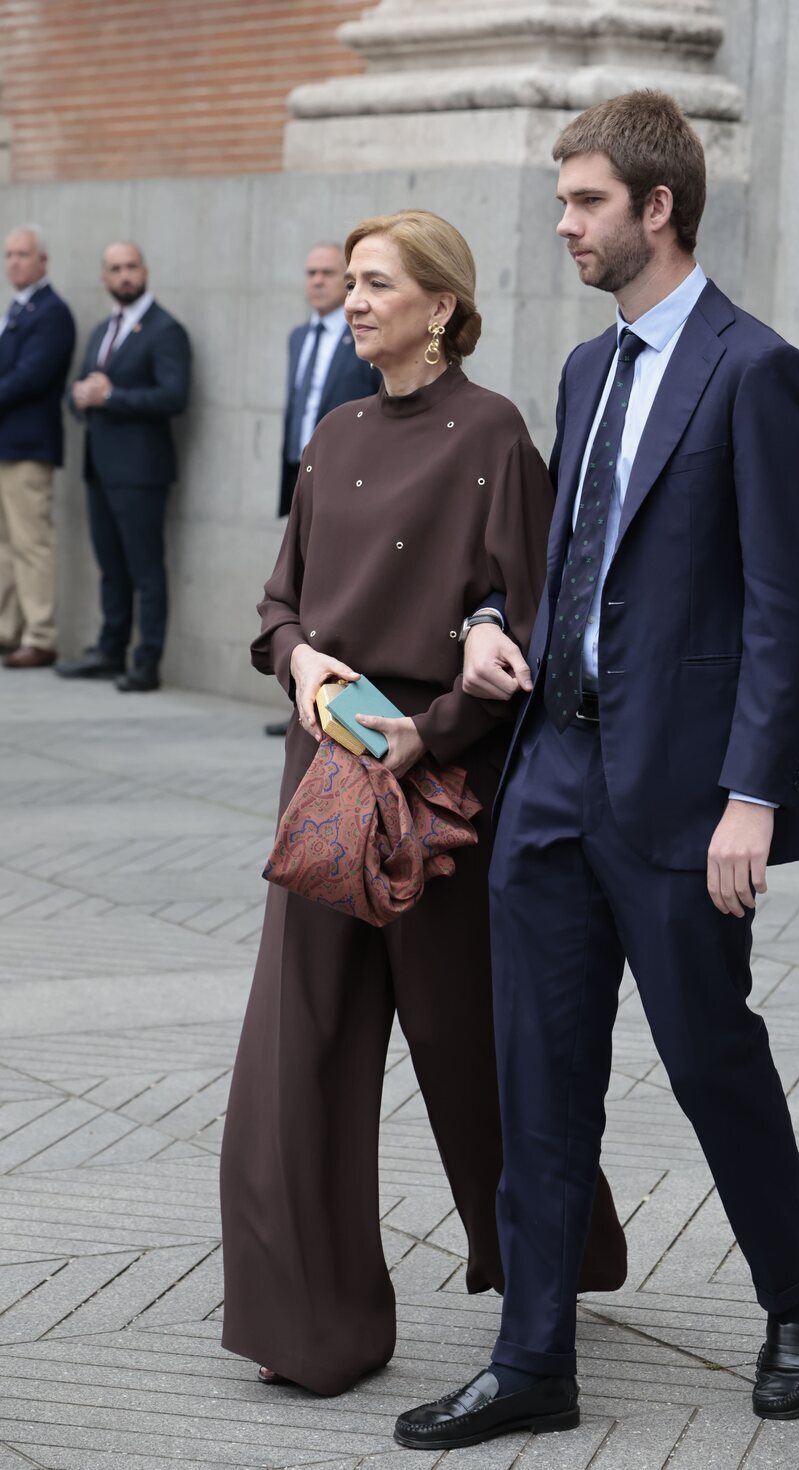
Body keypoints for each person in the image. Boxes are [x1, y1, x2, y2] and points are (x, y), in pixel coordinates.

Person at [395, 90, 799, 1451]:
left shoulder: (756, 370)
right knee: (536, 1068)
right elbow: (567, 570)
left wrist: (753, 796)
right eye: (563, 200)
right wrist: (491, 630)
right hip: (551, 772)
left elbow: (790, 604)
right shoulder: (588, 374)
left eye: (585, 201)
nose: (565, 223)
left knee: (711, 1055)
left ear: (658, 206)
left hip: (683, 797)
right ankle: (534, 1353)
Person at [219, 208, 627, 1399]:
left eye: (376, 283)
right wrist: (299, 663)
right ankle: (315, 1332)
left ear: (439, 305)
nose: (351, 300)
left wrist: (432, 731)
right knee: (296, 1060)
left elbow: (538, 629)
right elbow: (279, 604)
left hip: (443, 788)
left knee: (473, 1048)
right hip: (324, 786)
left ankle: (554, 1255)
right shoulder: (333, 426)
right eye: (346, 281)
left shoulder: (491, 435)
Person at [57, 241, 190, 692]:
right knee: (110, 566)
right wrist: (79, 399)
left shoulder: (165, 329)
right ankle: (109, 650)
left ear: (145, 270)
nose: (125, 275)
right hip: (99, 468)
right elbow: (79, 389)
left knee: (144, 570)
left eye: (131, 266)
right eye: (115, 268)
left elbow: (174, 396)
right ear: (104, 277)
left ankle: (145, 662)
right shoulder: (102, 330)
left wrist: (111, 397)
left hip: (141, 473)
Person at [265, 242, 381, 737]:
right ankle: (305, 692)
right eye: (310, 272)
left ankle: (345, 702)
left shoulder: (362, 341)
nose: (318, 281)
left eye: (330, 274)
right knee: (302, 588)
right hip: (303, 470)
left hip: (354, 478)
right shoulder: (298, 336)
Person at [0, 225, 76, 669]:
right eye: (8, 255)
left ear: (42, 261)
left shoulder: (51, 312)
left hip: (29, 447)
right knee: (6, 543)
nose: (14, 262)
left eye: (23, 254)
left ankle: (41, 634)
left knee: (32, 543)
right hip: (7, 445)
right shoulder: (17, 309)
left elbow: (31, 376)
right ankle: (9, 629)